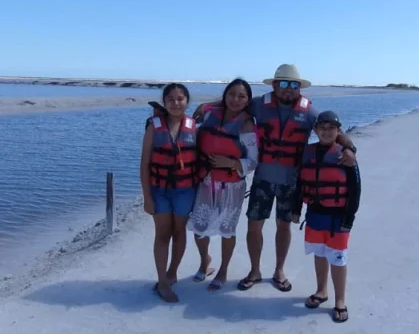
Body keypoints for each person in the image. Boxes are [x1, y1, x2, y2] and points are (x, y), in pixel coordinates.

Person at [235, 64, 357, 292]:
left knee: (284, 227)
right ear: (274, 85)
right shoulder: (259, 105)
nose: (288, 89)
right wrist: (206, 107)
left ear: (299, 87)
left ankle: (279, 271)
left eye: (294, 85)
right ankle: (254, 270)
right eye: (283, 84)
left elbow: (333, 131)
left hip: (291, 182)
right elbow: (232, 105)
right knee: (254, 226)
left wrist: (351, 149)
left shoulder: (309, 112)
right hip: (262, 178)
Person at [188, 79, 258, 290]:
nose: (235, 100)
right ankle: (204, 261)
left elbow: (253, 160)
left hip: (232, 186)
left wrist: (232, 163)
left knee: (227, 229)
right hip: (206, 180)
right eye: (232, 94)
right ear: (224, 96)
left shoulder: (247, 124)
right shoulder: (209, 114)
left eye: (241, 96)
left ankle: (224, 270)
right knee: (199, 227)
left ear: (248, 100)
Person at [293, 110, 361, 323]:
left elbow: (355, 188)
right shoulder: (308, 152)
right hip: (314, 214)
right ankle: (321, 291)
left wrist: (349, 218)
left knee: (338, 259)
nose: (326, 131)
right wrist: (296, 210)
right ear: (315, 130)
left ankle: (340, 300)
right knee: (319, 254)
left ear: (338, 131)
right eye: (322, 127)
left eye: (331, 128)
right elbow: (299, 184)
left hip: (338, 217)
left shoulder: (345, 155)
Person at [140, 83, 197, 303]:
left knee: (179, 231)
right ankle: (162, 282)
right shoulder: (154, 127)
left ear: (187, 101)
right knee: (163, 234)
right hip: (160, 190)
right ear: (164, 102)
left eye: (180, 99)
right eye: (171, 99)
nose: (176, 103)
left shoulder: (194, 126)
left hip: (185, 190)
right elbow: (144, 164)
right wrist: (147, 198)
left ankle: (173, 272)